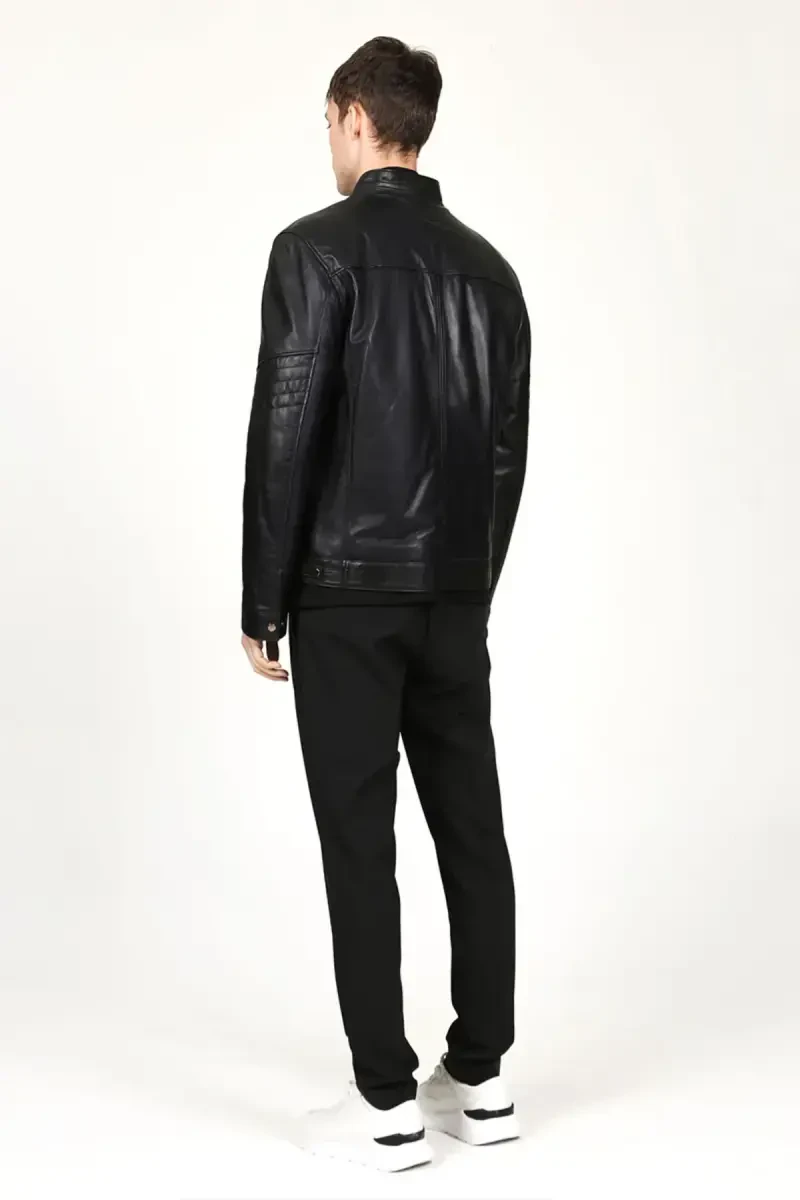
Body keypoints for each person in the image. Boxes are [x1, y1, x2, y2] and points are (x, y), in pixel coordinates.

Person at [240, 35, 530, 1172]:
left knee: (360, 842)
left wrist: (263, 597)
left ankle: (385, 1103)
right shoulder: (491, 273)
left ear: (357, 116)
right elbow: (505, 455)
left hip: (345, 597)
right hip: (453, 598)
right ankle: (484, 1078)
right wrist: (470, 586)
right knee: (473, 829)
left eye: (329, 120)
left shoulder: (313, 251)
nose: (328, 139)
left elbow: (286, 431)